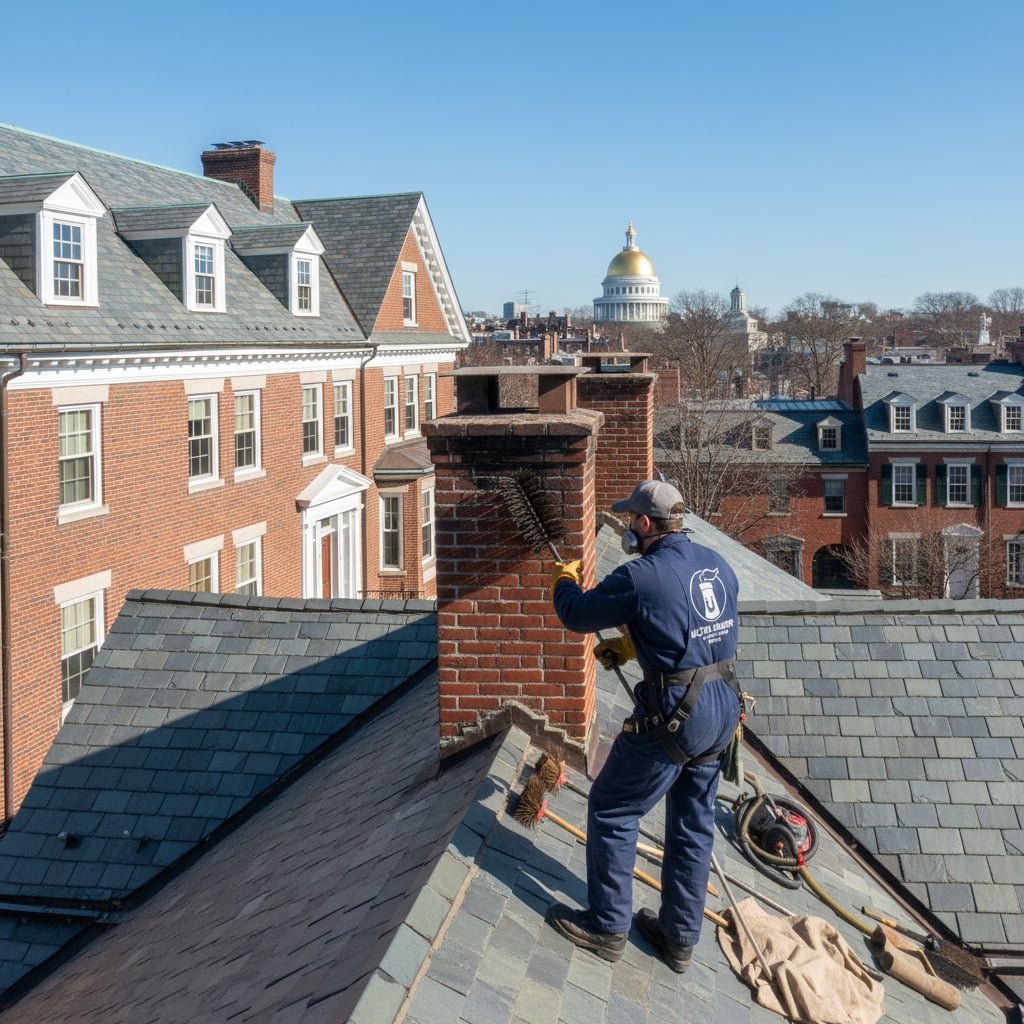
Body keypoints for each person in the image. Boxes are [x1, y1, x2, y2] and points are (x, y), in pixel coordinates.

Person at [546, 479, 741, 971]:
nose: (628, 528)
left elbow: (578, 615)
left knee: (612, 807)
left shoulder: (640, 576)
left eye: (631, 519)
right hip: (722, 708)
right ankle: (679, 938)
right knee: (693, 823)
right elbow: (692, 629)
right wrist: (634, 646)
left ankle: (607, 925)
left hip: (678, 715)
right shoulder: (717, 564)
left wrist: (564, 581)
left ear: (647, 523)